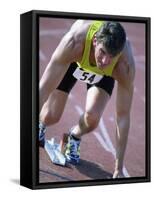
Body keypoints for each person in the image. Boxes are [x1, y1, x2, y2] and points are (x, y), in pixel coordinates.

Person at [39, 20, 135, 178]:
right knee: (50, 116)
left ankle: (74, 136)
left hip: (104, 75)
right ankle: (40, 124)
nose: (104, 61)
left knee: (93, 118)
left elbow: (123, 117)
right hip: (74, 60)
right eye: (102, 52)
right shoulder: (74, 42)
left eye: (112, 56)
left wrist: (119, 168)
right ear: (95, 40)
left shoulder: (124, 65)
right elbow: (43, 89)